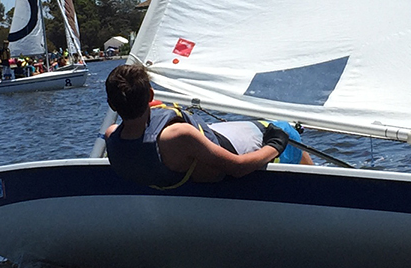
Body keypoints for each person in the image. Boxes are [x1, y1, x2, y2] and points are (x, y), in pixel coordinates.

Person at [102, 63, 310, 189]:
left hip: (199, 151)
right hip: (225, 150)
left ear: (112, 104)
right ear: (150, 95)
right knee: (284, 129)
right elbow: (238, 168)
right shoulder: (178, 136)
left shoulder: (112, 137)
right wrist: (274, 144)